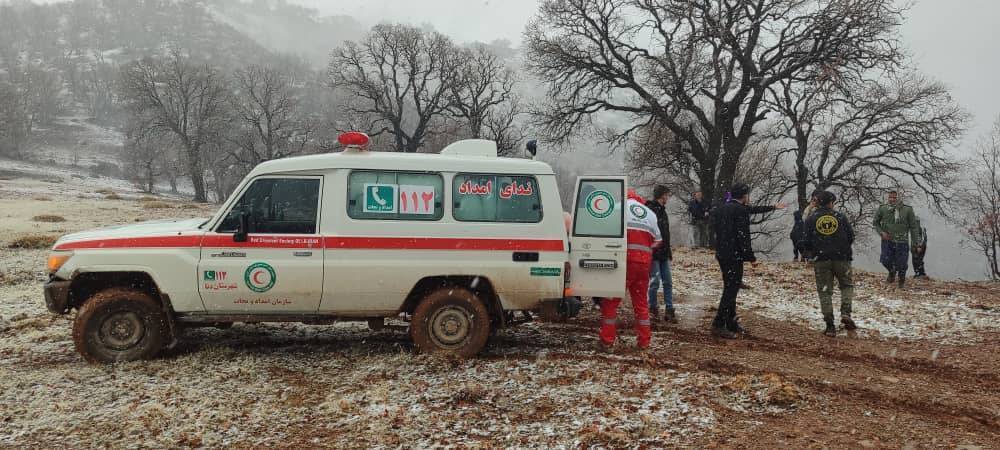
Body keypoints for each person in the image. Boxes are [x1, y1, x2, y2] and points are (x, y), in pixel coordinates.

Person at [710, 184, 787, 338]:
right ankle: (718, 324)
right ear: (744, 196)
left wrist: (772, 207)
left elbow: (750, 210)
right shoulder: (740, 211)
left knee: (731, 286)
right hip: (734, 255)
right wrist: (751, 257)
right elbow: (743, 236)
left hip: (722, 253)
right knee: (731, 289)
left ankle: (731, 322)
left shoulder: (721, 208)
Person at [599, 190, 662, 351]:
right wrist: (645, 251)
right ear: (639, 200)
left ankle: (607, 340)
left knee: (611, 302)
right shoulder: (650, 214)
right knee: (641, 304)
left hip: (624, 263)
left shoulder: (618, 209)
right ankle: (644, 341)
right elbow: (658, 241)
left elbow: (606, 233)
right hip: (643, 265)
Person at [802, 191, 856, 337]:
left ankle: (830, 325)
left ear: (818, 202)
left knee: (825, 291)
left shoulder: (811, 218)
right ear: (831, 203)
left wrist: (811, 254)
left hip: (821, 259)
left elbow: (805, 240)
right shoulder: (840, 217)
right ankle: (845, 313)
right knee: (846, 285)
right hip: (842, 258)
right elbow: (851, 236)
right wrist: (842, 248)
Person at [873, 190, 921, 288]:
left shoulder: (907, 210)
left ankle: (901, 281)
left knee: (902, 263)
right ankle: (892, 272)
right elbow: (875, 223)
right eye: (890, 197)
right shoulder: (883, 209)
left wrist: (915, 243)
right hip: (888, 240)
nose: (892, 199)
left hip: (902, 241)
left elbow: (913, 227)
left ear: (898, 198)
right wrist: (881, 232)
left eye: (894, 197)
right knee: (885, 260)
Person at [645, 185, 675, 323]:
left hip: (663, 253)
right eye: (667, 195)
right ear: (662, 195)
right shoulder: (651, 211)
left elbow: (665, 233)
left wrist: (668, 251)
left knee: (668, 281)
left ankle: (670, 309)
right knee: (655, 282)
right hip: (654, 252)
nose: (668, 197)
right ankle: (652, 308)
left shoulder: (662, 211)